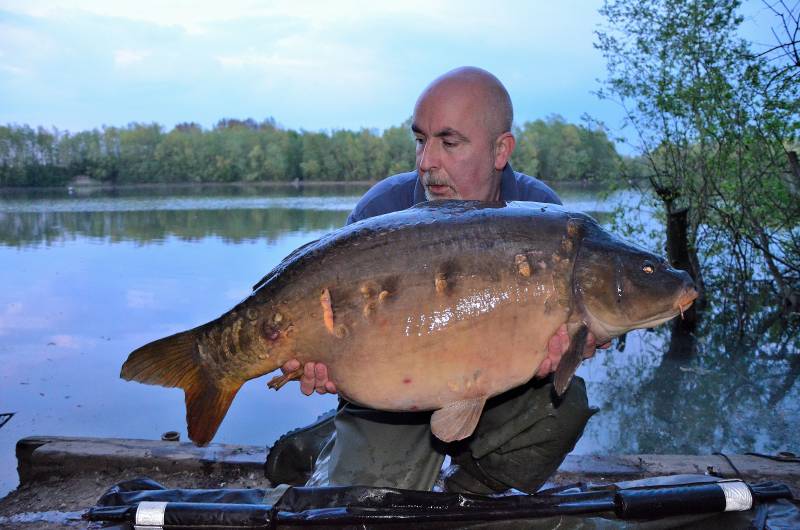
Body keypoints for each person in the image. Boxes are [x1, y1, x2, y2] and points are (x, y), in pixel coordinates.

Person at [267, 66, 603, 494]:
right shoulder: (382, 212)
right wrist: (319, 360)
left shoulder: (543, 216)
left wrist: (575, 344)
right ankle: (326, 441)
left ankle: (468, 496)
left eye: (449, 142)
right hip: (393, 399)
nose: (427, 162)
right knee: (369, 504)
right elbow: (329, 328)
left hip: (497, 390)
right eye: (421, 140)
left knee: (564, 405)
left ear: (500, 150)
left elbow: (562, 334)